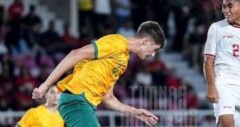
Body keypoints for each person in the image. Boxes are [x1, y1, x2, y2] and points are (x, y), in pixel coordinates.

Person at [32, 21, 165, 127]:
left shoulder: (123, 61)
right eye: (155, 49)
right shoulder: (117, 42)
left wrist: (134, 112)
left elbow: (108, 98)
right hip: (77, 100)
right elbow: (75, 54)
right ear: (146, 41)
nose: (153, 54)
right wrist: (45, 86)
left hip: (84, 105)